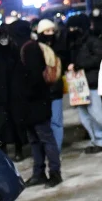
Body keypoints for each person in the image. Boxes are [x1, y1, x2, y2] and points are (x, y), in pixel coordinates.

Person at [12, 18, 62, 187]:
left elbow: (34, 77)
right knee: (35, 139)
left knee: (46, 138)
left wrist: (25, 95)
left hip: (35, 103)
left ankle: (55, 173)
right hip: (30, 104)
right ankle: (38, 172)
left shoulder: (29, 48)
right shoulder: (25, 47)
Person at [66, 13, 102, 153]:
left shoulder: (92, 41)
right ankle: (96, 140)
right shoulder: (74, 43)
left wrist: (78, 65)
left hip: (91, 83)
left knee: (95, 114)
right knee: (85, 116)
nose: (71, 30)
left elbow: (99, 58)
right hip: (79, 84)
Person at [0, 21, 29, 162]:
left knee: (16, 121)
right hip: (1, 95)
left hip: (14, 94)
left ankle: (18, 149)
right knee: (3, 122)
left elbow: (20, 71)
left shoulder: (14, 51)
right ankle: (1, 149)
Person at [34, 18, 66, 150]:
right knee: (45, 122)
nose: (50, 33)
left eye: (52, 30)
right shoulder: (35, 48)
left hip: (55, 89)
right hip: (42, 91)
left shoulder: (59, 46)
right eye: (47, 30)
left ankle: (55, 150)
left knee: (56, 122)